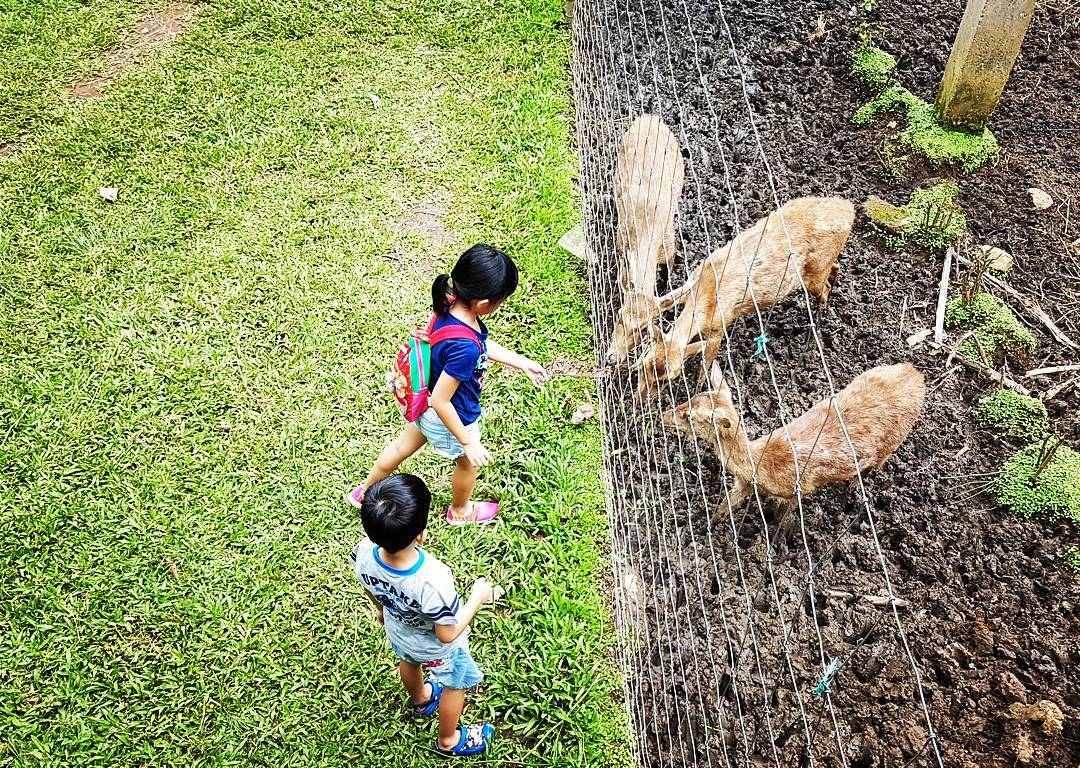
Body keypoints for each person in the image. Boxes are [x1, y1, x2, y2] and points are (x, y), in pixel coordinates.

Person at [348, 243, 548, 524]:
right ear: (485, 304)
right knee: (467, 464)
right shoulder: (465, 347)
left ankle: (364, 491)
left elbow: (481, 343)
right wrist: (468, 442)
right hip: (451, 416)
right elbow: (443, 399)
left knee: (399, 448)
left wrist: (520, 362)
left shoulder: (450, 306)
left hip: (423, 406)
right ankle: (461, 511)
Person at [351, 474, 500, 756]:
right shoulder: (432, 579)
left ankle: (421, 699)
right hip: (438, 648)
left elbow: (369, 587)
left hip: (399, 633)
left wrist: (382, 611)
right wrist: (476, 599)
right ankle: (449, 740)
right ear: (421, 533)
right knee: (456, 684)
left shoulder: (363, 552)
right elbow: (447, 633)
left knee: (407, 661)